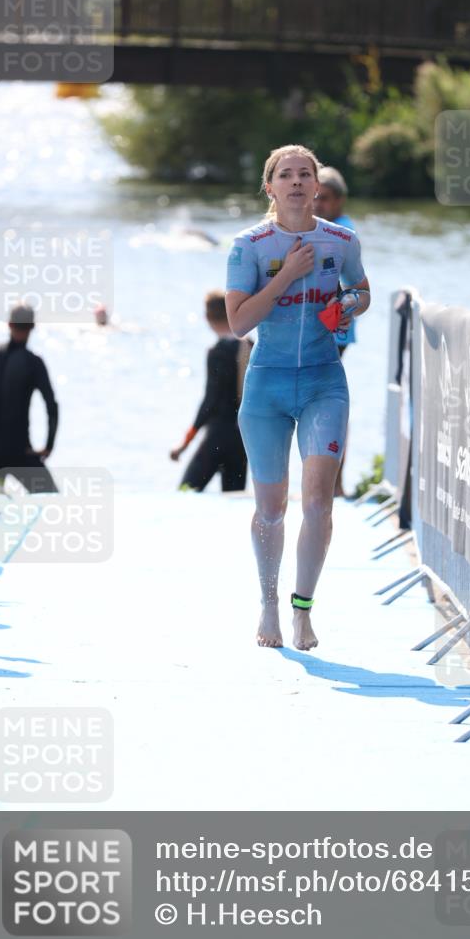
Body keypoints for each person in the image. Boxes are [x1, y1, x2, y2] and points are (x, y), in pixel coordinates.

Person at [226, 144, 370, 650]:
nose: (295, 182)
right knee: (270, 508)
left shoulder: (342, 240)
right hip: (266, 383)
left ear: (316, 187)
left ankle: (302, 611)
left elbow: (363, 290)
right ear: (270, 188)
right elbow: (238, 321)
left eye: (304, 174)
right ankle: (268, 605)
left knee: (318, 501)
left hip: (323, 381)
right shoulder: (250, 246)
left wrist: (348, 306)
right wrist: (287, 274)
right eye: (285, 175)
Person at [170, 290, 252, 492]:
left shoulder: (217, 352)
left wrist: (186, 442)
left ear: (208, 318)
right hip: (243, 437)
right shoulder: (251, 345)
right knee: (234, 499)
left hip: (218, 435)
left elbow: (211, 401)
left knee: (185, 491)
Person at [314, 165, 358, 498]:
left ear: (340, 200)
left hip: (333, 329)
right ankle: (331, 482)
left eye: (324, 199)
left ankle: (335, 483)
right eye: (314, 199)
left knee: (329, 405)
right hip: (325, 327)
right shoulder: (324, 227)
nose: (317, 205)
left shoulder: (341, 230)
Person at [0, 304, 59, 492]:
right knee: (52, 502)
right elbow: (51, 406)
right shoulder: (33, 363)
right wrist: (48, 446)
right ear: (32, 327)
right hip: (19, 451)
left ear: (9, 324)